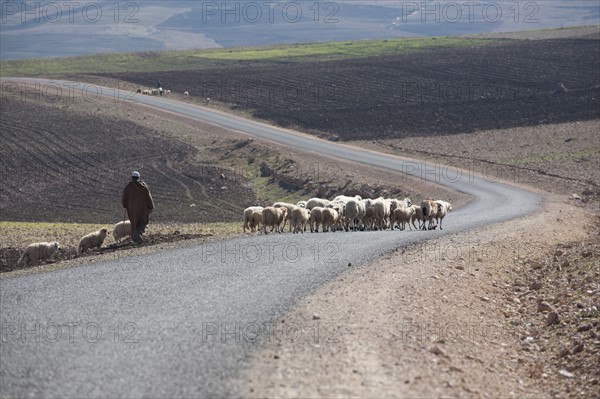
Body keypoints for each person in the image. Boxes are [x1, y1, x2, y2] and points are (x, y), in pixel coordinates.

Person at [121, 171, 154, 244]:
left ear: (132, 178)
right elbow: (149, 197)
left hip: (132, 209)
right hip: (144, 208)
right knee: (143, 221)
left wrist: (124, 205)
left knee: (134, 222)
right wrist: (151, 206)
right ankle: (138, 234)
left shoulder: (127, 188)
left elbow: (124, 199)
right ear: (138, 178)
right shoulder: (144, 187)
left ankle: (136, 237)